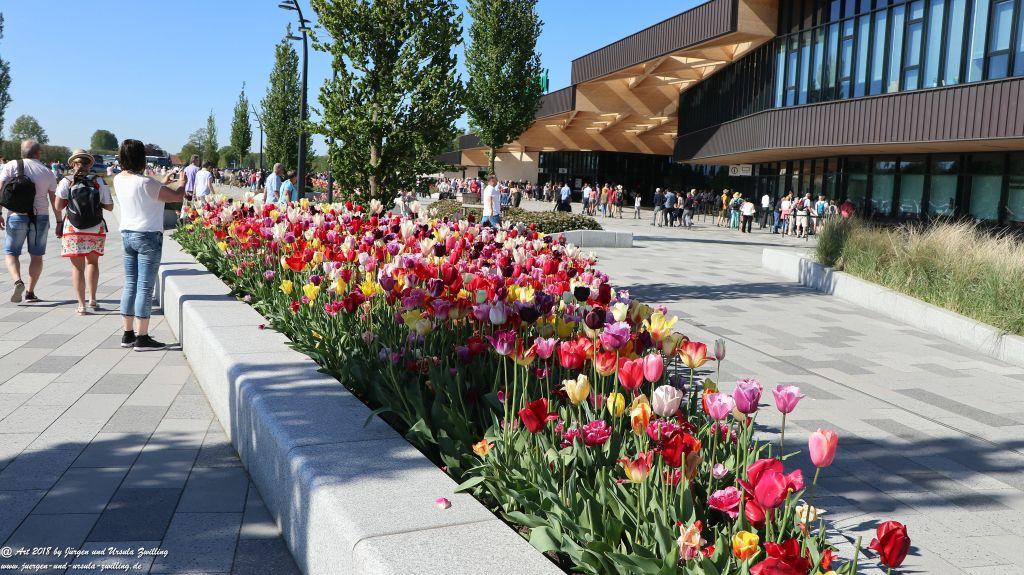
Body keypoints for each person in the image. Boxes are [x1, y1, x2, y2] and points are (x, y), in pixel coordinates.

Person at [113, 139, 186, 351]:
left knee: (130, 284)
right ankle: (142, 337)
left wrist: (162, 181)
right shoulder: (147, 183)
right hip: (148, 238)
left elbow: (149, 192)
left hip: (127, 235)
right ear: (141, 158)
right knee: (145, 286)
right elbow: (176, 197)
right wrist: (182, 181)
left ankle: (127, 333)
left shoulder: (119, 179)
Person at [55, 150, 114, 315]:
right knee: (92, 263)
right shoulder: (99, 181)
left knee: (77, 268)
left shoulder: (66, 181)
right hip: (95, 228)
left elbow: (59, 206)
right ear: (90, 164)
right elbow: (109, 207)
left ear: (73, 164)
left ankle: (81, 305)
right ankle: (93, 299)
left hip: (73, 228)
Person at [0, 140, 59, 303]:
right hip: (40, 217)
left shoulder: (11, 165)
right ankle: (30, 292)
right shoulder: (47, 172)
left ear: (22, 153)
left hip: (16, 215)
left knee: (11, 253)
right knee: (36, 256)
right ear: (38, 153)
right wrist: (59, 221)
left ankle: (17, 280)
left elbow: (1, 188)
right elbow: (54, 199)